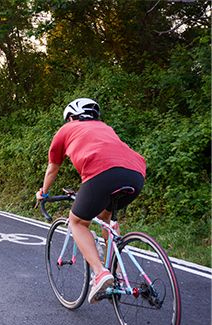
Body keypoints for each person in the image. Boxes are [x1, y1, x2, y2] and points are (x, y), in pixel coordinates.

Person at [36, 98, 146, 304]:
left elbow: (53, 167)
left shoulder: (66, 129)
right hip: (136, 173)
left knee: (77, 222)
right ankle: (119, 273)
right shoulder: (105, 128)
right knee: (106, 217)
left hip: (101, 174)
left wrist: (43, 192)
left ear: (70, 117)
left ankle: (100, 273)